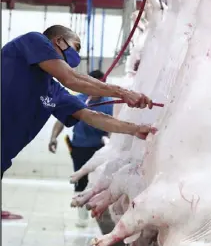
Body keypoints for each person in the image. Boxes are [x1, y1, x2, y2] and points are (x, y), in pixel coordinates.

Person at [1, 25, 156, 220]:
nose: (78, 55)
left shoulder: (53, 90)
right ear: (58, 41)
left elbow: (91, 116)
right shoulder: (34, 41)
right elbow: (71, 78)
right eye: (77, 46)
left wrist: (135, 129)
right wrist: (123, 92)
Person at [48, 69, 113, 227]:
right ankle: (82, 217)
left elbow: (112, 126)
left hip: (101, 147)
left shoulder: (110, 103)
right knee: (81, 180)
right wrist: (53, 137)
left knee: (103, 181)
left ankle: (96, 211)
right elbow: (61, 121)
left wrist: (112, 145)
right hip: (80, 148)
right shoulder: (78, 100)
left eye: (100, 83)